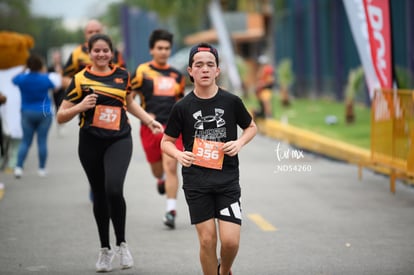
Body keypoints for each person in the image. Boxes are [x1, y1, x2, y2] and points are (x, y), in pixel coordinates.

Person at [57, 33, 163, 273]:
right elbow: (61, 116)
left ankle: (122, 244)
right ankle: (105, 249)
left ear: (112, 52)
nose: (102, 54)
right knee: (99, 194)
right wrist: (81, 106)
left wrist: (148, 121)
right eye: (97, 51)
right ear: (90, 52)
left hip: (119, 139)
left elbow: (130, 102)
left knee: (114, 189)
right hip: (90, 142)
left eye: (106, 50)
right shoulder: (80, 79)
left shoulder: (122, 76)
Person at [161, 43, 257, 275]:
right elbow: (166, 142)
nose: (205, 69)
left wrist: (239, 142)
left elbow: (251, 127)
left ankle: (224, 270)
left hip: (227, 181)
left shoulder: (231, 102)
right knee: (207, 240)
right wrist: (179, 153)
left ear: (217, 71)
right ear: (190, 71)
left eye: (210, 65)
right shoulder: (182, 107)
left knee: (231, 241)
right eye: (199, 65)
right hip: (197, 182)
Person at [131, 29, 185, 229]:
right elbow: (130, 99)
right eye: (159, 48)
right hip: (150, 129)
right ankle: (160, 178)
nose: (163, 52)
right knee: (157, 170)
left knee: (171, 166)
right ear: (151, 50)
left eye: (167, 48)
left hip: (172, 129)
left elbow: (181, 103)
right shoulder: (141, 72)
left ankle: (171, 210)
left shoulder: (177, 76)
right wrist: (144, 118)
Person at [12, 53, 59, 178]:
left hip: (26, 111)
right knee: (42, 141)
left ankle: (18, 167)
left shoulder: (23, 78)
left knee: (26, 141)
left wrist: (23, 69)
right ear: (40, 65)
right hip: (44, 112)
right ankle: (42, 169)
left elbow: (13, 80)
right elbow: (55, 88)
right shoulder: (44, 78)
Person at [62, 19, 125, 88]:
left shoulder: (115, 52)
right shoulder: (77, 53)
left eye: (97, 31)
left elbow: (124, 77)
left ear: (103, 32)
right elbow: (64, 79)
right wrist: (82, 87)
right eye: (90, 32)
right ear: (85, 35)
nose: (94, 34)